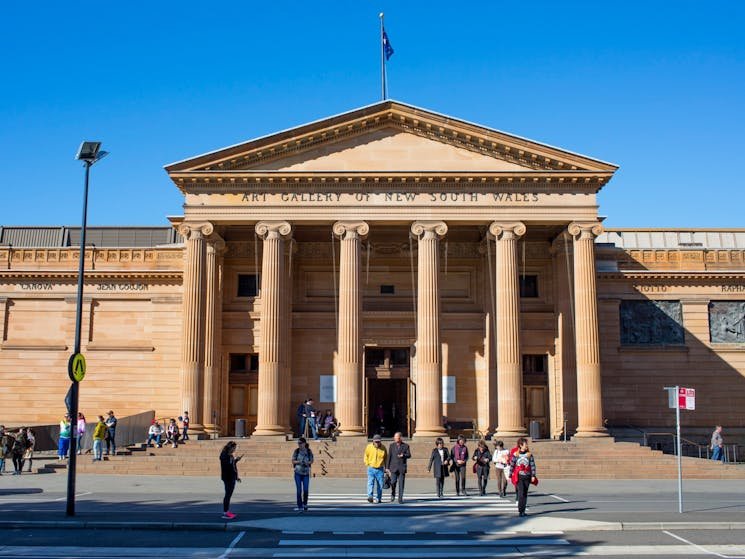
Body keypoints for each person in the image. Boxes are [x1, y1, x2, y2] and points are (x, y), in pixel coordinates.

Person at [509, 437, 537, 517]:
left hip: (527, 476)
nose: (526, 446)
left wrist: (533, 475)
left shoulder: (529, 455)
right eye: (525, 444)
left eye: (526, 444)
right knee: (521, 493)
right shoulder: (516, 455)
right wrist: (510, 475)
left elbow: (532, 465)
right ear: (521, 445)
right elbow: (512, 465)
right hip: (519, 476)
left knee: (525, 493)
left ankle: (523, 510)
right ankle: (520, 510)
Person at [386, 432, 411, 503]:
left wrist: (403, 455)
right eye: (395, 437)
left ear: (400, 438)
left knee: (401, 484)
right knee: (393, 482)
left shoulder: (406, 446)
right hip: (393, 467)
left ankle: (400, 498)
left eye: (397, 437)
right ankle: (393, 493)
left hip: (401, 468)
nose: (396, 439)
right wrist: (387, 468)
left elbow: (409, 455)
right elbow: (389, 456)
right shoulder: (391, 445)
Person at [219, 441, 242, 520]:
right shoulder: (224, 455)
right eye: (234, 448)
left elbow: (233, 466)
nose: (235, 450)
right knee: (227, 495)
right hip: (227, 478)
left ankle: (227, 511)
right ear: (231, 447)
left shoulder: (230, 456)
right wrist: (232, 459)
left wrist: (236, 460)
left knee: (229, 495)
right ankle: (225, 512)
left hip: (232, 477)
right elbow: (227, 466)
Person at [292, 437, 314, 512]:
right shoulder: (296, 451)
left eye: (300, 443)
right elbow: (293, 461)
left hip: (306, 473)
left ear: (304, 443)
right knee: (299, 490)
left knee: (306, 490)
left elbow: (312, 461)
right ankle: (299, 505)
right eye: (298, 443)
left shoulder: (308, 451)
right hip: (298, 473)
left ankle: (305, 503)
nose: (299, 445)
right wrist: (299, 462)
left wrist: (307, 462)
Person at [363, 434, 387, 504]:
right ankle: (370, 496)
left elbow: (385, 458)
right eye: (376, 442)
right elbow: (366, 456)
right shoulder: (369, 447)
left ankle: (378, 498)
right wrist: (367, 463)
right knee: (370, 483)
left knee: (380, 484)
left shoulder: (383, 448)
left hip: (380, 469)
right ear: (373, 441)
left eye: (378, 442)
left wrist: (386, 468)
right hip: (371, 468)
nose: (377, 443)